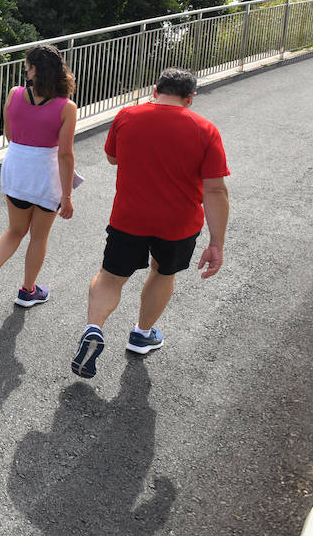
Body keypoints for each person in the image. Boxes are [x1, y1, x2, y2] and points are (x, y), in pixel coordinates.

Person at [70, 67, 230, 379]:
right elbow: (215, 190)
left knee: (110, 277)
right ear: (190, 98)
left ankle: (94, 328)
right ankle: (142, 334)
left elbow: (113, 158)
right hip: (178, 223)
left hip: (129, 217)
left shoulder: (128, 116)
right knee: (162, 272)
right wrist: (216, 243)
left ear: (155, 90)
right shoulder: (205, 130)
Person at [0, 44, 78, 308]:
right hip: (45, 174)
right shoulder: (67, 107)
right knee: (38, 237)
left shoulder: (14, 94)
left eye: (27, 67)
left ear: (34, 71)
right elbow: (65, 155)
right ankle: (27, 291)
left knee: (15, 230)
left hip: (16, 168)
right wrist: (67, 196)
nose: (25, 71)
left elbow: (9, 134)